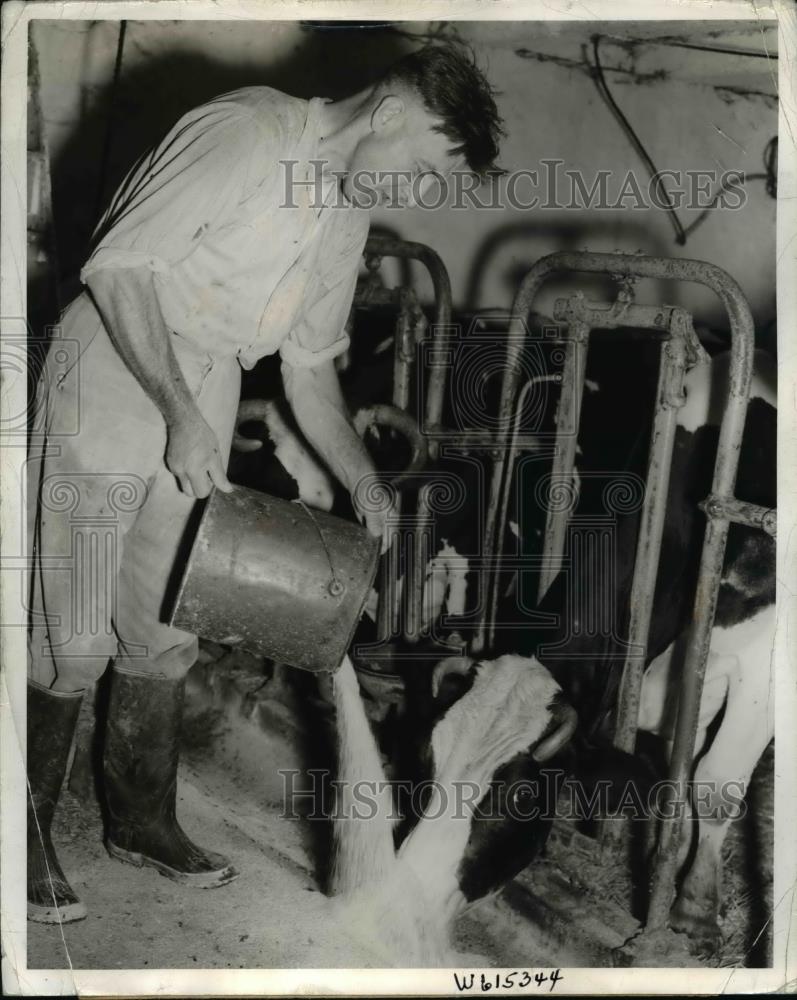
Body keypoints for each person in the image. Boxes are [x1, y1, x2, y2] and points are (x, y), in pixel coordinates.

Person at [27, 42, 504, 923]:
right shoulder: (245, 133)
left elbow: (311, 370)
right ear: (388, 117)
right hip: (114, 371)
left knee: (167, 616)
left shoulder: (345, 210)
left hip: (200, 383)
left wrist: (364, 488)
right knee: (74, 625)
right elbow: (118, 267)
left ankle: (139, 820)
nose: (420, 197)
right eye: (425, 173)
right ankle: (22, 838)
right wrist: (178, 410)